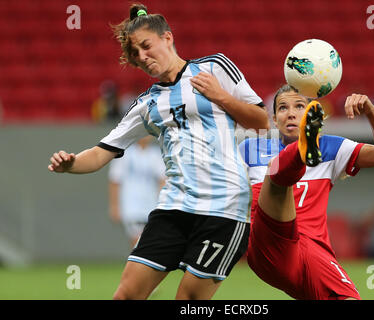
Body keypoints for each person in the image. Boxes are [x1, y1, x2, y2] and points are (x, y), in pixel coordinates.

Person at [48, 4, 269, 300]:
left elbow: (261, 122)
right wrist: (71, 163)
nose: (142, 57)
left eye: (146, 46)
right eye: (136, 54)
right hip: (172, 209)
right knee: (125, 296)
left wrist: (220, 96)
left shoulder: (215, 67)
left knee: (188, 302)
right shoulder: (147, 105)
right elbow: (102, 152)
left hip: (224, 210)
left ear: (167, 38)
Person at [239, 84, 374, 300]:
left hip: (314, 251)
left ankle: (301, 150)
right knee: (276, 176)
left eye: (299, 106)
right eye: (283, 108)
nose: (291, 113)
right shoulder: (251, 148)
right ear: (275, 119)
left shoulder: (331, 148)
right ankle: (300, 152)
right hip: (269, 244)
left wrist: (372, 112)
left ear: (309, 113)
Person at [108, 136, 166, 247]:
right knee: (136, 239)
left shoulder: (156, 154)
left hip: (151, 203)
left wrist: (161, 202)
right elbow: (115, 180)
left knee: (148, 239)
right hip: (131, 204)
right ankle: (136, 262)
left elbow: (162, 180)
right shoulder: (124, 154)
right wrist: (114, 206)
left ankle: (141, 263)